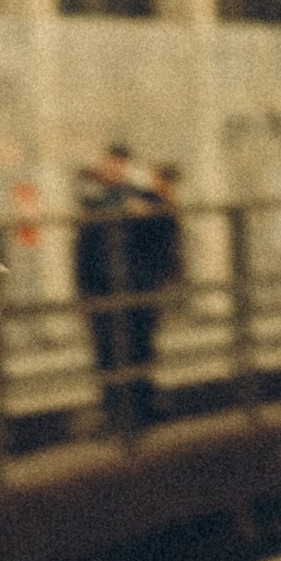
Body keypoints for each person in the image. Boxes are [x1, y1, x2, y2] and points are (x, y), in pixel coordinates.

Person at [75, 141, 160, 434]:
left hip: (137, 287)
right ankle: (116, 414)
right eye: (109, 165)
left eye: (118, 164)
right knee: (108, 355)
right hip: (103, 289)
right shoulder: (94, 203)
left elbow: (163, 233)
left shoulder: (144, 198)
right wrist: (84, 293)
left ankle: (141, 412)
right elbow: (83, 252)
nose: (112, 170)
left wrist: (148, 212)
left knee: (139, 348)